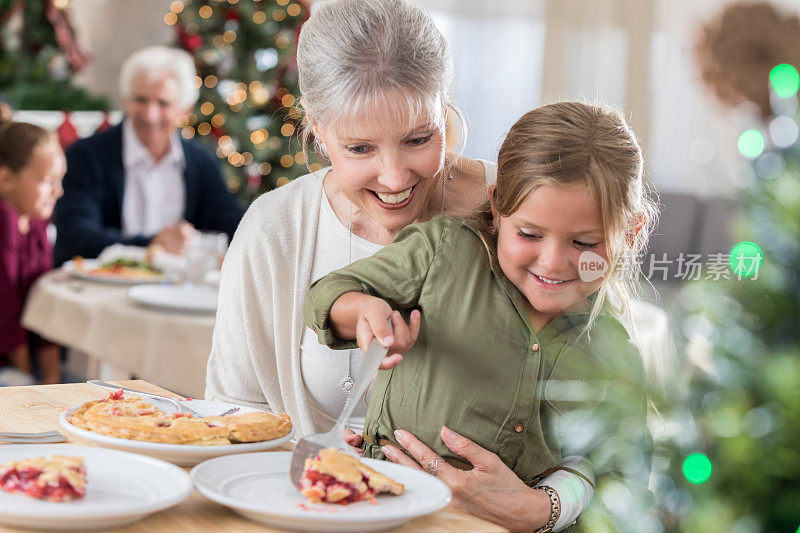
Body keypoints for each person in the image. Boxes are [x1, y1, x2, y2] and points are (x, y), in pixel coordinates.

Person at [205, 0, 595, 530]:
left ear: (445, 111)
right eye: (360, 147)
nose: (393, 178)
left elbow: (611, 425)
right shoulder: (275, 230)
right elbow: (231, 422)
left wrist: (541, 508)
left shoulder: (526, 218)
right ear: (318, 130)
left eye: (418, 139)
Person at [305, 102, 656, 532]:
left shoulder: (611, 346)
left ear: (630, 234)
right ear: (496, 206)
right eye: (529, 234)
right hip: (384, 512)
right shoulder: (444, 251)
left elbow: (622, 473)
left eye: (585, 243)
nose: (553, 262)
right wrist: (365, 311)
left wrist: (541, 508)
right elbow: (328, 294)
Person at [53, 46, 243, 266]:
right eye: (141, 100)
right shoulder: (85, 156)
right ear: (126, 101)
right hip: (101, 291)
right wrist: (155, 244)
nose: (150, 115)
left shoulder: (201, 161)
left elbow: (234, 230)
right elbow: (74, 238)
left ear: (185, 109)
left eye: (163, 103)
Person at [0, 120, 66, 384]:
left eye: (60, 180)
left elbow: (42, 306)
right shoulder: (4, 219)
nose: (58, 191)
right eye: (47, 180)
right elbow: (6, 316)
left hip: (19, 356)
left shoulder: (36, 222)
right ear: (5, 179)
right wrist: (34, 388)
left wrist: (53, 380)